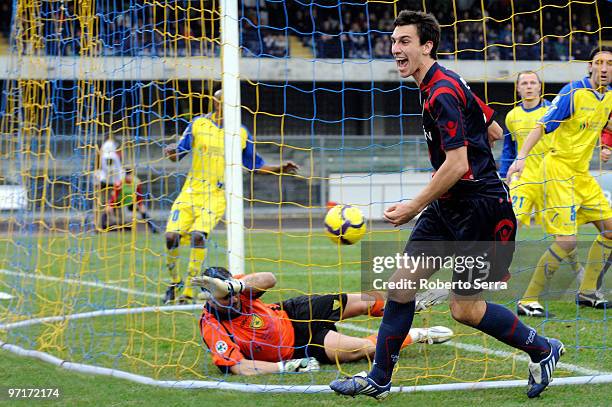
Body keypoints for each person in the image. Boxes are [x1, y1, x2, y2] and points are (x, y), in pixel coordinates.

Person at [329, 10, 564, 400]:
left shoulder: (441, 92)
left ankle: (543, 348)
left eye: (404, 42)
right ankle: (379, 379)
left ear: (427, 45)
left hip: (482, 210)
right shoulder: (447, 81)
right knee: (401, 286)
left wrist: (412, 207)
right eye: (393, 41)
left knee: (464, 310)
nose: (395, 50)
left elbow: (458, 163)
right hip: (451, 204)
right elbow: (492, 129)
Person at [163, 89, 299, 304]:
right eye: (223, 102)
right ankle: (174, 281)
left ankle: (188, 291)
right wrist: (171, 151)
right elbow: (178, 153)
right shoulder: (198, 124)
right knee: (171, 237)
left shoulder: (240, 132)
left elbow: (255, 164)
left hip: (216, 195)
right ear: (216, 103)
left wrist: (280, 168)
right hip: (190, 192)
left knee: (198, 236)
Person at [191, 267, 453, 376]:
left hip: (295, 313)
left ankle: (411, 302)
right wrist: (285, 368)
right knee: (361, 349)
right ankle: (418, 334)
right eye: (224, 298)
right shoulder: (212, 326)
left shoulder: (236, 289)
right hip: (300, 347)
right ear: (209, 300)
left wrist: (233, 286)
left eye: (231, 295)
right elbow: (238, 366)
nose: (232, 301)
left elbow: (269, 278)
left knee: (361, 300)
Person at [507, 46, 612, 312]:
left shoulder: (609, 97)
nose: (603, 68)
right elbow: (542, 125)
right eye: (598, 63)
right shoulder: (572, 92)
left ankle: (588, 292)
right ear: (589, 66)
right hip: (556, 171)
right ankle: (527, 299)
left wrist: (605, 145)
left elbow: (602, 125)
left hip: (581, 174)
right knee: (567, 241)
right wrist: (520, 157)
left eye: (609, 64)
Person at [500, 71, 551, 228]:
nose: (529, 87)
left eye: (532, 83)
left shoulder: (552, 111)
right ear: (517, 88)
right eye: (524, 83)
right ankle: (502, 253)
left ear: (540, 87)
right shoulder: (512, 116)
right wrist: (503, 175)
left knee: (557, 231)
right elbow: (508, 148)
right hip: (523, 178)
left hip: (550, 177)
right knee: (510, 223)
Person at [100, 167, 159, 233]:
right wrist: (110, 204)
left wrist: (140, 204)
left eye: (130, 175)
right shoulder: (120, 183)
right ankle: (102, 228)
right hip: (119, 201)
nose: (129, 177)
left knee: (143, 210)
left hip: (131, 202)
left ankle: (153, 229)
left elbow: (139, 195)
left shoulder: (137, 182)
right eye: (127, 175)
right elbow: (115, 196)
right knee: (107, 209)